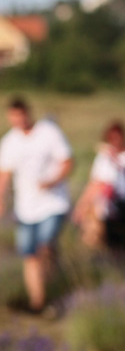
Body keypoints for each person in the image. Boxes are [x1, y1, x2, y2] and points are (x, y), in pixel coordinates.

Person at [0, 97, 74, 315]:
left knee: (45, 247)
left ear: (28, 113)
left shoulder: (48, 132)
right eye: (13, 116)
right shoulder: (9, 141)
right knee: (29, 255)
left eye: (20, 114)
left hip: (53, 204)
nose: (18, 120)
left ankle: (52, 289)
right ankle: (38, 302)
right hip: (26, 208)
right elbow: (4, 173)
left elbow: (67, 162)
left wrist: (52, 181)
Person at [73, 121, 125, 266]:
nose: (115, 141)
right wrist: (82, 206)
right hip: (111, 212)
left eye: (118, 137)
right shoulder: (104, 159)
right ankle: (121, 279)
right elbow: (96, 184)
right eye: (112, 138)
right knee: (114, 248)